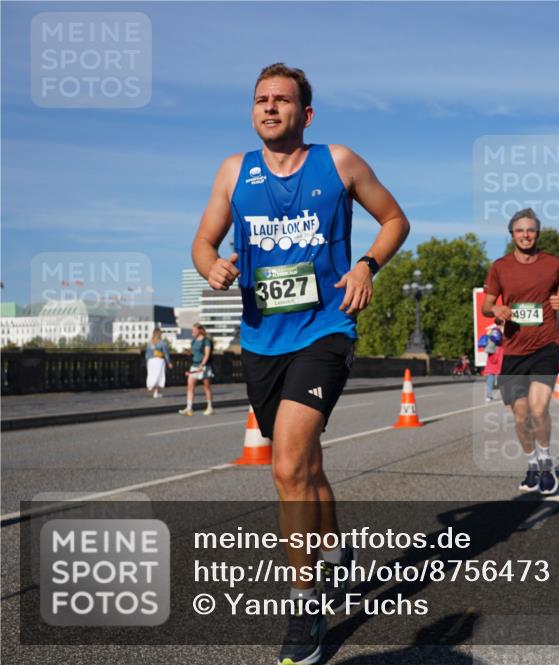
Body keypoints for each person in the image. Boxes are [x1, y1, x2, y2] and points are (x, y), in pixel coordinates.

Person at [191, 63, 409, 665]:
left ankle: (304, 604)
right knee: (307, 466)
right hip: (262, 342)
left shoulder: (338, 162)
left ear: (304, 114)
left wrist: (366, 264)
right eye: (260, 100)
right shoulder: (234, 172)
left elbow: (395, 218)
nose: (268, 108)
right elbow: (204, 240)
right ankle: (334, 552)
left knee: (287, 465)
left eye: (281, 100)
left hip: (326, 331)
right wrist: (210, 263)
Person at [482, 208, 559, 496]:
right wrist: (496, 309)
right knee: (521, 416)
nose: (526, 235)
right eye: (520, 230)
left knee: (538, 409)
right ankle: (532, 463)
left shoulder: (554, 264)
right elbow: (487, 305)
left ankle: (546, 464)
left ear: (537, 233)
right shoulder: (500, 267)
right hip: (513, 349)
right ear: (512, 234)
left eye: (531, 230)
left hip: (546, 344)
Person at [179, 323, 214, 415]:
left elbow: (207, 354)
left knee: (206, 387)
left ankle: (210, 407)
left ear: (200, 330)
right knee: (190, 386)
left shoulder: (206, 341)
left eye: (194, 330)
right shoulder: (193, 341)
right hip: (194, 365)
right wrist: (188, 352)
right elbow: (194, 351)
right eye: (192, 330)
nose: (192, 332)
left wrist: (202, 365)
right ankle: (189, 408)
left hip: (203, 366)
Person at [145, 328, 173, 398]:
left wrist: (147, 361)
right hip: (159, 361)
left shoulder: (149, 343)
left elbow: (147, 354)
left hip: (151, 361)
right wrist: (169, 362)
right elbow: (166, 354)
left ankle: (151, 385)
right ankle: (156, 392)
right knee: (159, 376)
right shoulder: (162, 343)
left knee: (151, 374)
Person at [479, 323, 504, 401]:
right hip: (500, 352)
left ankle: (488, 396)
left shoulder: (491, 331)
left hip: (492, 353)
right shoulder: (502, 331)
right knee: (502, 373)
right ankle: (505, 395)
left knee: (491, 374)